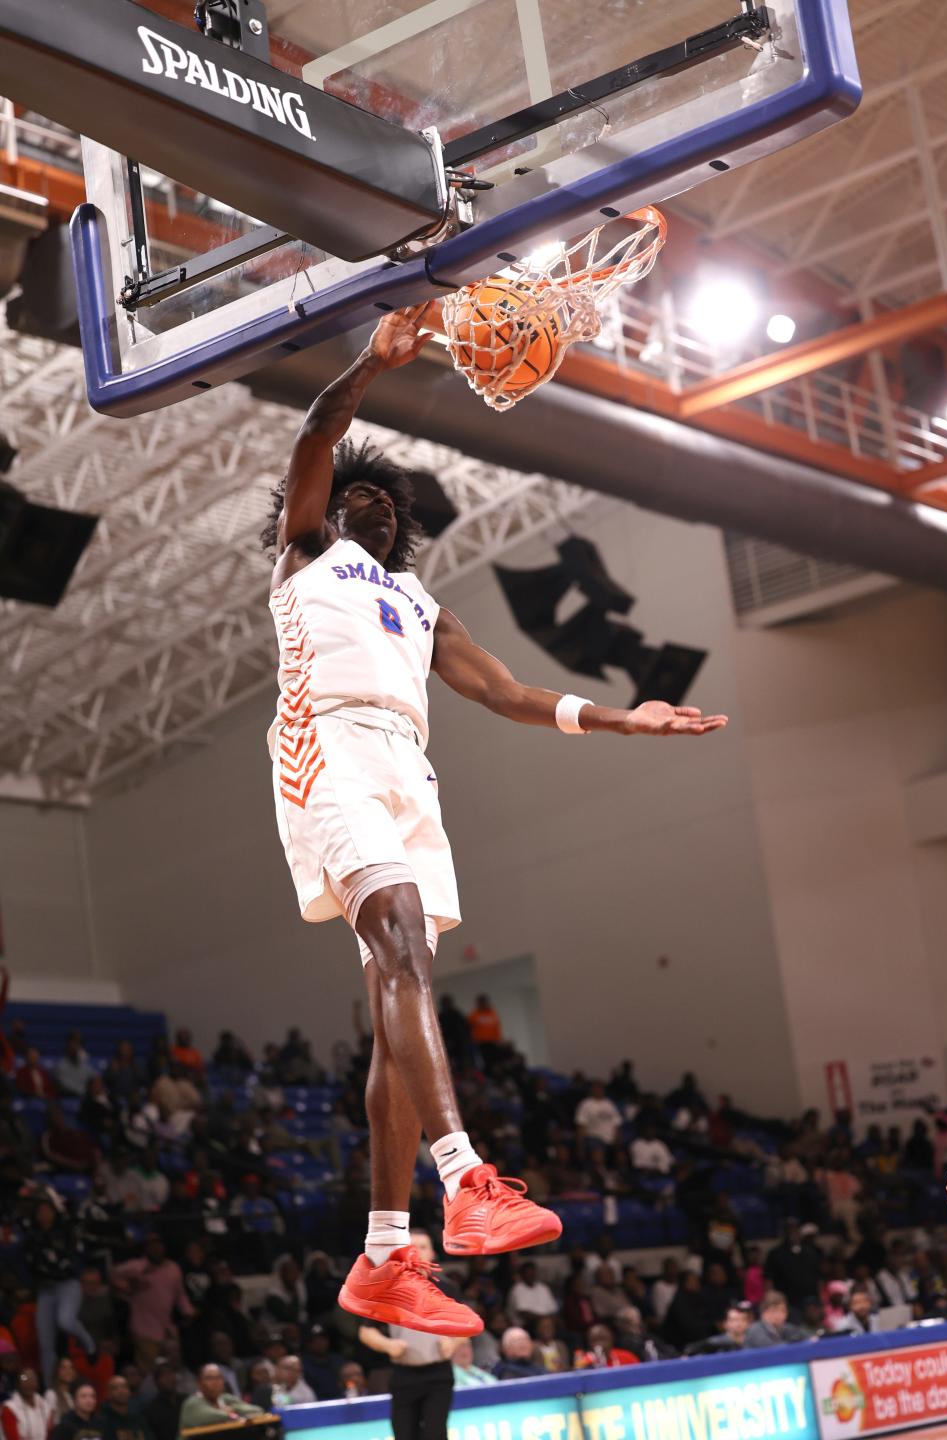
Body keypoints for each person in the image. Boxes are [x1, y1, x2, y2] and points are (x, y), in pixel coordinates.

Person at [262, 306, 727, 1334]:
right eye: (362, 496)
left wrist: (624, 720)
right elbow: (313, 442)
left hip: (409, 777)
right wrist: (366, 370)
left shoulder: (426, 608)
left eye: (391, 500)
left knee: (399, 1005)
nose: (377, 505)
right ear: (336, 513)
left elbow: (509, 692)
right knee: (401, 958)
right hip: (328, 747)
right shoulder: (305, 559)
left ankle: (385, 1256)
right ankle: (464, 1178)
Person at [357, 1232, 456, 1440]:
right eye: (412, 1246)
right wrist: (387, 1344)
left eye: (423, 1246)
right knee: (404, 1434)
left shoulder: (446, 1288)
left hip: (438, 1374)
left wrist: (453, 1341)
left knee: (434, 1434)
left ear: (433, 1253)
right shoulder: (389, 1289)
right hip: (404, 1375)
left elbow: (469, 1325)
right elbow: (366, 1331)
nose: (417, 1251)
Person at [24, 1201, 96, 1387]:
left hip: (67, 1284)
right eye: (40, 1211)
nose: (44, 1214)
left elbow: (74, 1257)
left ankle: (89, 1345)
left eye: (48, 1210)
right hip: (46, 1290)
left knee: (65, 1321)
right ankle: (49, 1390)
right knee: (45, 1343)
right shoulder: (32, 1236)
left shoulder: (65, 1231)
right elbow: (29, 1264)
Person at [110, 1236, 194, 1372]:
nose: (156, 1249)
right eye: (152, 1245)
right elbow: (113, 1274)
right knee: (149, 1371)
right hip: (143, 1328)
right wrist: (129, 1285)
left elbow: (180, 1294)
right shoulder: (137, 1267)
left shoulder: (173, 1268)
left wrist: (188, 1311)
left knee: (172, 1368)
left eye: (159, 1245)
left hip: (167, 1329)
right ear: (146, 1248)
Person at [178, 1367, 266, 1434]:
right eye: (209, 1378)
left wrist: (233, 1409)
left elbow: (258, 1410)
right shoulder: (192, 1403)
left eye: (219, 1378)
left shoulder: (226, 1398)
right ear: (199, 1383)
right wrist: (230, 1414)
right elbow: (210, 1417)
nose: (215, 1382)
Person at [744, 1292, 809, 1348]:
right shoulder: (755, 1330)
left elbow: (808, 1339)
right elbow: (774, 1350)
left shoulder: (787, 1328)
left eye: (783, 1311)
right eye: (775, 1310)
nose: (780, 1314)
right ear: (764, 1312)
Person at [1, 1370, 51, 1440]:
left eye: (32, 1379)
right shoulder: (9, 1408)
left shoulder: (44, 1406)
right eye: (24, 1378)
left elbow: (49, 1434)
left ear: (38, 1384)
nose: (29, 1382)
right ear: (17, 1383)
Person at [686, 1304, 751, 1356]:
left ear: (749, 1322)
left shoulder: (754, 1341)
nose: (738, 1323)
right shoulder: (713, 1343)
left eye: (742, 1319)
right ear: (725, 1324)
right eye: (733, 1320)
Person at [507, 1262, 557, 1327]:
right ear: (522, 1274)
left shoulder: (544, 1288)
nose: (531, 1275)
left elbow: (553, 1310)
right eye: (528, 1272)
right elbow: (524, 1314)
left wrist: (548, 1320)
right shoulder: (517, 1289)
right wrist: (543, 1319)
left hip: (547, 1325)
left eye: (532, 1272)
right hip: (525, 1326)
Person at [573, 1323, 638, 1370]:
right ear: (589, 1343)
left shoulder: (627, 1356)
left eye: (603, 1339)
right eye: (595, 1340)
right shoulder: (584, 1362)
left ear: (611, 1339)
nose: (600, 1344)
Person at [141, 1366, 182, 1440]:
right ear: (156, 1382)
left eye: (171, 1374)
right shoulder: (150, 1410)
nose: (168, 1378)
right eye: (164, 1376)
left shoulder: (187, 1401)